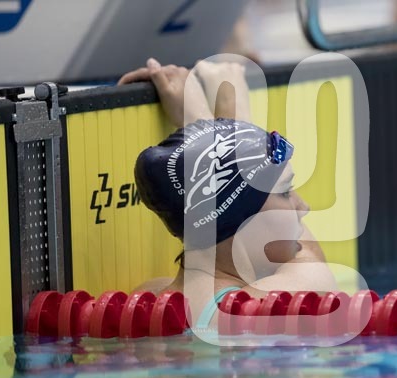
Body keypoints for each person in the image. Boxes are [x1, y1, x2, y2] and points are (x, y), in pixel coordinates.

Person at [118, 58, 337, 328]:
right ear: (237, 218)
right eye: (285, 192)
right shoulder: (263, 304)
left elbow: (224, 196)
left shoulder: (148, 297)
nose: (303, 206)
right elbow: (312, 262)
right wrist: (225, 112)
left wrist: (213, 134)